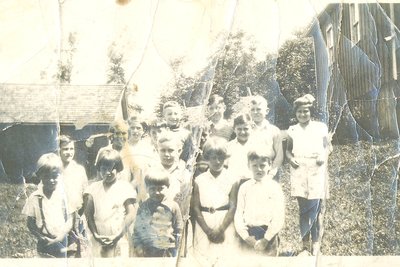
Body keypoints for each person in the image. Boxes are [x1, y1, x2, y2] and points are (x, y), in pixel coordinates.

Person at [285, 94, 330, 256]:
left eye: (305, 111)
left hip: (316, 168)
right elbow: (288, 151)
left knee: (316, 209)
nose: (302, 115)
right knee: (303, 209)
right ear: (295, 113)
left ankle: (316, 245)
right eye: (299, 112)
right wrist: (291, 160)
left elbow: (327, 147)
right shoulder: (292, 130)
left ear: (310, 112)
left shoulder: (320, 127)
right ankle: (304, 246)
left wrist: (321, 157)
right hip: (299, 169)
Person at [192, 137, 239, 262]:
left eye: (221, 158)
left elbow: (233, 206)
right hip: (204, 222)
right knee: (203, 258)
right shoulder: (199, 180)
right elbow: (195, 208)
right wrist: (207, 231)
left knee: (225, 258)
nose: (217, 161)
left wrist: (221, 229)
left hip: (224, 221)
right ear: (207, 158)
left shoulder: (232, 178)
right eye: (213, 158)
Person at [22, 153, 77, 258]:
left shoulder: (65, 195)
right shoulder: (34, 197)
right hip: (44, 241)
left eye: (55, 176)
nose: (51, 180)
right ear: (40, 176)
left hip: (63, 239)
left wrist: (60, 237)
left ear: (60, 175)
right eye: (46, 177)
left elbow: (70, 219)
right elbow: (30, 223)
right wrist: (40, 237)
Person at [84, 148, 136, 257]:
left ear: (118, 169)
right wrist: (96, 235)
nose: (107, 172)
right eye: (104, 169)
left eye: (111, 169)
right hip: (98, 238)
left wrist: (118, 235)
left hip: (119, 237)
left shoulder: (125, 188)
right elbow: (88, 215)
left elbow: (131, 214)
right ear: (99, 169)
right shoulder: (92, 189)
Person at [234, 145, 285, 256]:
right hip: (249, 235)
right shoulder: (244, 187)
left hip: (269, 236)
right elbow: (238, 213)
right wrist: (246, 237)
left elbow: (279, 216)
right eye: (255, 165)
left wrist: (266, 239)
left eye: (262, 165)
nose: (259, 169)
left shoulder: (275, 188)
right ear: (249, 166)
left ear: (270, 165)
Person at [133, 169, 183, 257]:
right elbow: (137, 231)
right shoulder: (143, 207)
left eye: (160, 188)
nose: (156, 192)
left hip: (167, 251)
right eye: (152, 189)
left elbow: (179, 229)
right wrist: (138, 247)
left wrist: (176, 249)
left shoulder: (173, 206)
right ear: (147, 189)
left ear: (168, 187)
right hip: (147, 251)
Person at [58, 135, 89, 256]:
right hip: (60, 216)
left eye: (71, 149)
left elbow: (86, 193)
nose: (69, 152)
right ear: (58, 150)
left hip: (77, 215)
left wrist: (83, 214)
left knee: (77, 249)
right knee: (61, 249)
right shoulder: (55, 170)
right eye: (65, 149)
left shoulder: (79, 169)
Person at [248, 95, 283, 179]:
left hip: (269, 172)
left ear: (266, 111)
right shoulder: (246, 130)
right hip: (250, 172)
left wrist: (271, 173)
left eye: (259, 109)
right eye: (253, 109)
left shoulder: (274, 130)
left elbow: (279, 154)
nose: (255, 112)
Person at [226, 113, 257, 182]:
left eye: (246, 129)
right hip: (232, 184)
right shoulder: (228, 147)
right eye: (239, 129)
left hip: (251, 183)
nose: (242, 132)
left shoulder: (257, 146)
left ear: (251, 128)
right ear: (234, 129)